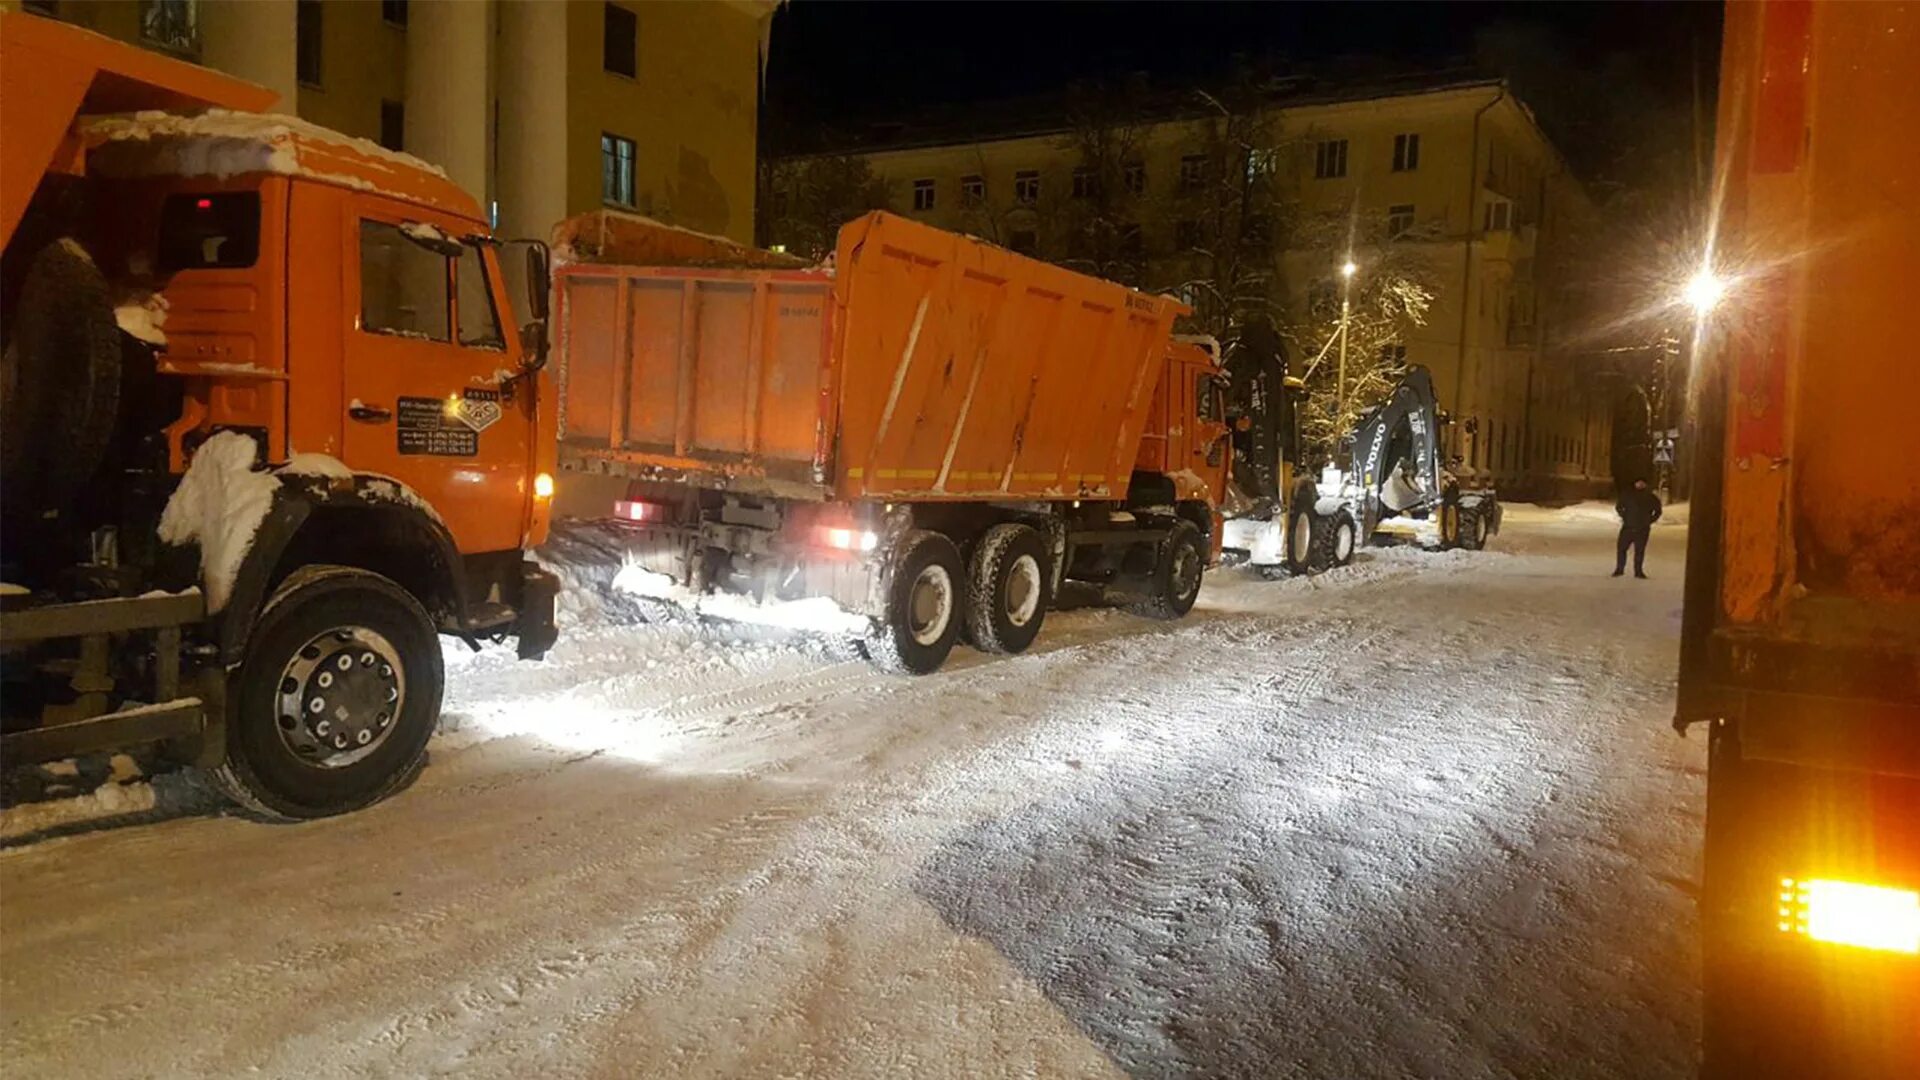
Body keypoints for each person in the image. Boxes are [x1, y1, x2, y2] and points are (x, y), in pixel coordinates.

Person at [1614, 477, 1662, 578]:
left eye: (1642, 483)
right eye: (1638, 483)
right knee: (1622, 548)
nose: (1640, 485)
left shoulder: (1650, 497)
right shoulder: (1628, 495)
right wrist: (1624, 516)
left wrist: (1650, 520)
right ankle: (1619, 569)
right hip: (1628, 526)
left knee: (1639, 550)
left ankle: (1638, 571)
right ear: (1635, 483)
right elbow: (1619, 506)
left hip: (1642, 528)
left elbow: (1658, 510)